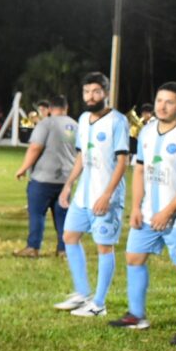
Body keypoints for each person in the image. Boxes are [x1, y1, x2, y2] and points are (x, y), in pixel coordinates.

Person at [109, 83, 176, 334]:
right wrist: (136, 207)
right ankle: (137, 315)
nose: (162, 106)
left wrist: (168, 212)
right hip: (148, 214)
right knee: (134, 258)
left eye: (169, 102)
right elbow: (139, 170)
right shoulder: (147, 132)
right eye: (159, 100)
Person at [55, 72, 130, 317]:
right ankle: (82, 293)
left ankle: (98, 304)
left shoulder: (117, 121)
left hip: (105, 197)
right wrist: (68, 185)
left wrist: (107, 194)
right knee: (69, 237)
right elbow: (81, 157)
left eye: (96, 91)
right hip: (83, 195)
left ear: (106, 93)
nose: (91, 96)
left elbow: (122, 162)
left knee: (104, 247)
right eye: (87, 92)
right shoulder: (84, 119)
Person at [13, 95, 77, 258]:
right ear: (66, 107)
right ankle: (64, 249)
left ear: (50, 109)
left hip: (44, 178)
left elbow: (35, 147)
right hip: (66, 179)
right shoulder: (75, 125)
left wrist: (23, 168)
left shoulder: (46, 123)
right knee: (62, 215)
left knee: (37, 213)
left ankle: (33, 247)